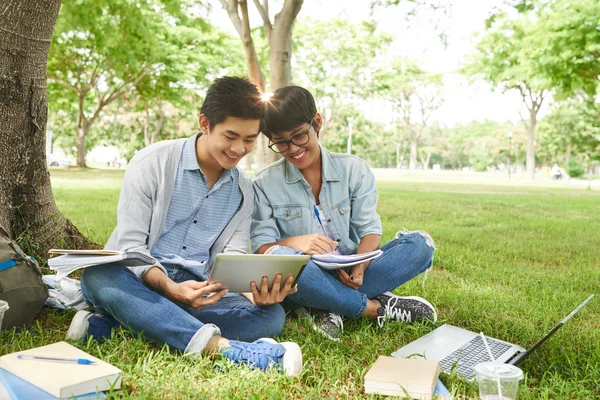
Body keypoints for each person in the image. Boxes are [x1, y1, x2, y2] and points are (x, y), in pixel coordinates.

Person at [66, 77, 302, 376]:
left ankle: (113, 325)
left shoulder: (244, 189)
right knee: (99, 275)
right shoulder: (153, 162)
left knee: (271, 316)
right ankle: (227, 349)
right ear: (205, 123)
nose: (239, 148)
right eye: (230, 136)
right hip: (140, 278)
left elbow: (227, 261)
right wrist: (169, 288)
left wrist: (254, 293)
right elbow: (130, 247)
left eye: (249, 139)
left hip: (199, 290)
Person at [251, 86, 437, 341]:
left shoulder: (354, 169)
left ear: (317, 122)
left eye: (299, 136)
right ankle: (372, 308)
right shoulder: (263, 182)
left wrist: (359, 269)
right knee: (280, 259)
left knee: (420, 245)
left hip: (352, 268)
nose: (293, 149)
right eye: (280, 142)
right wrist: (295, 242)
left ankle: (322, 304)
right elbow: (262, 247)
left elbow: (369, 229)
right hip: (306, 272)